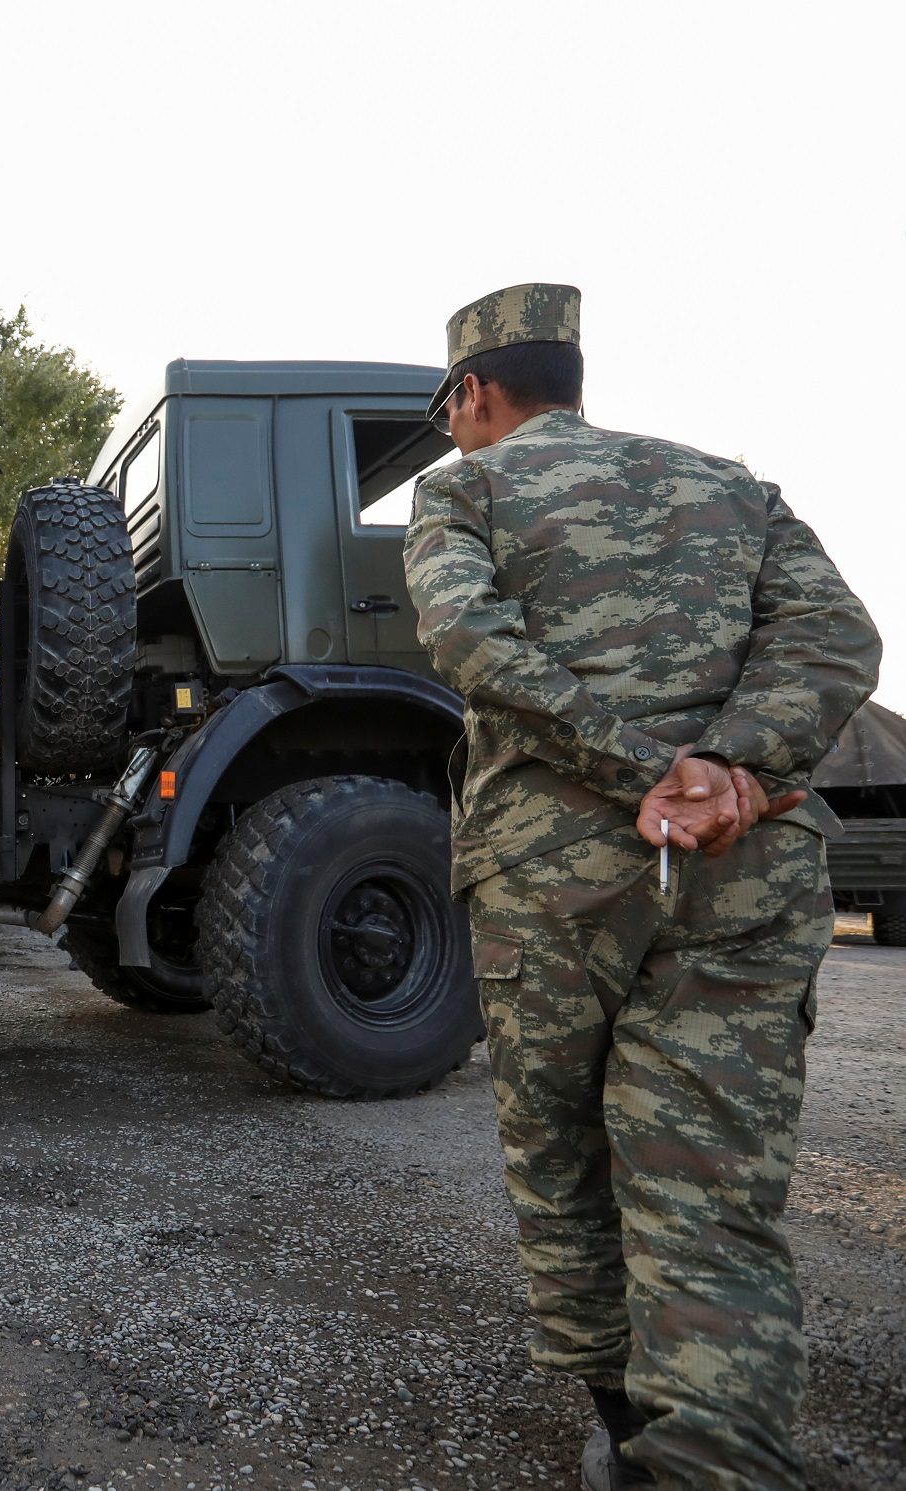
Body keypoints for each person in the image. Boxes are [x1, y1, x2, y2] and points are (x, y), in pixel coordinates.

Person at [403, 284, 880, 1491]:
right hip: (746, 862)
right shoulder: (730, 485)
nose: (450, 424)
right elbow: (836, 636)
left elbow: (468, 645)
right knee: (707, 1189)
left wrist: (634, 769)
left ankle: (620, 1433)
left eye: (448, 403)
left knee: (563, 1167)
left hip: (550, 881)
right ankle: (718, 1462)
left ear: (474, 391)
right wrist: (724, 769)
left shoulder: (462, 489)